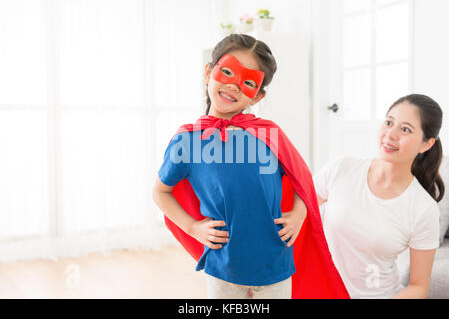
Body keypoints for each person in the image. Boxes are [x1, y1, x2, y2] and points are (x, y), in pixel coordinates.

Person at [152, 34, 349, 299]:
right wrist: (192, 227)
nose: (234, 85)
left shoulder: (269, 134)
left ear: (257, 96)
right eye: (227, 72)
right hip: (224, 266)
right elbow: (160, 192)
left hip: (276, 264)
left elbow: (304, 181)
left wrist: (299, 213)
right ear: (209, 71)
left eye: (247, 82)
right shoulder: (188, 140)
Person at [314, 94, 443, 299]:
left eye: (405, 129)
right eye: (389, 122)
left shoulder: (423, 209)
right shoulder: (343, 168)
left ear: (426, 145)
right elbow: (299, 210)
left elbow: (418, 287)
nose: (390, 135)